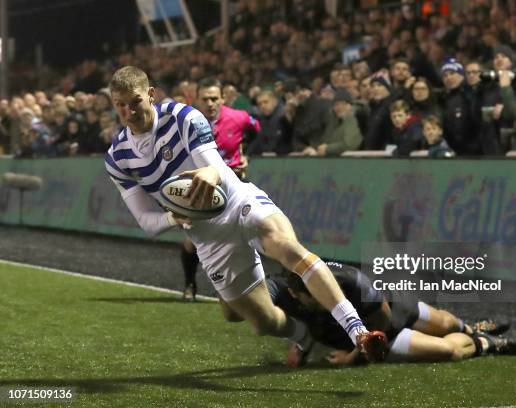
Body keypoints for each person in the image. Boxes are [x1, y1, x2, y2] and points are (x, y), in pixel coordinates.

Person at [104, 66, 387, 361]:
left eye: (135, 101)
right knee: (260, 321)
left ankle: (358, 332)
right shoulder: (118, 158)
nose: (129, 111)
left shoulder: (183, 117)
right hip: (208, 238)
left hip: (238, 203)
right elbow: (146, 222)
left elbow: (219, 171)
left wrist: (212, 173)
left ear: (150, 94)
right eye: (120, 104)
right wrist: (173, 218)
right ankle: (303, 337)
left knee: (288, 249)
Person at [219, 261, 516, 367]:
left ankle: (469, 327)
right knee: (448, 351)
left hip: (381, 319)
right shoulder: (287, 288)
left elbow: (382, 325)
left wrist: (354, 357)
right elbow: (247, 306)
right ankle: (485, 343)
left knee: (444, 322)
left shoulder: (354, 283)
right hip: (361, 328)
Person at [178, 78, 262, 301]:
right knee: (191, 243)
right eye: (205, 99)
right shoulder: (185, 124)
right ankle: (190, 283)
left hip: (234, 182)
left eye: (214, 98)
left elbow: (258, 131)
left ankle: (243, 289)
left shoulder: (239, 117)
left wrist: (247, 154)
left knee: (244, 234)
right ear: (196, 100)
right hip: (202, 187)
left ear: (223, 98)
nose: (210, 103)